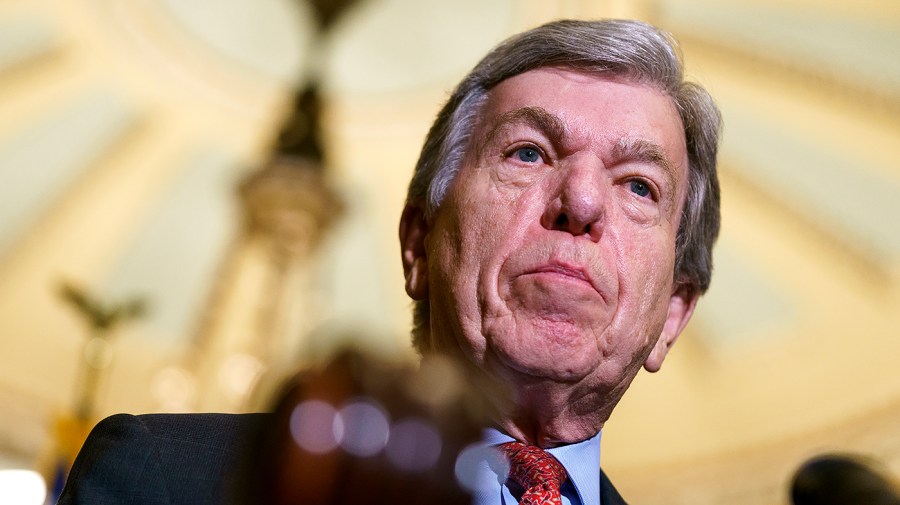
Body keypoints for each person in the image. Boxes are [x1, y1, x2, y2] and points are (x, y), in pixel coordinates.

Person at [57, 18, 721, 505]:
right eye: (527, 153)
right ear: (417, 242)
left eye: (639, 185)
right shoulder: (163, 479)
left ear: (671, 314)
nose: (580, 200)